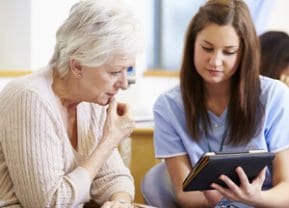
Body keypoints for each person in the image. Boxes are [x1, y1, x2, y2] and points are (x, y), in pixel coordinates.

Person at [141, 0, 289, 207]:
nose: (215, 61)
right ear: (192, 44)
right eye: (207, 48)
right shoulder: (168, 107)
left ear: (244, 53)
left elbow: (286, 190)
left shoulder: (274, 96)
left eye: (228, 52)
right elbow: (185, 195)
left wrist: (255, 198)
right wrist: (219, 199)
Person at [0, 0, 143, 207]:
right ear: (77, 66)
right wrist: (110, 140)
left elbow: (115, 178)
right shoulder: (29, 98)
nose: (123, 84)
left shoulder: (92, 100)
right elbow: (49, 203)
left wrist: (119, 201)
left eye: (127, 71)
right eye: (114, 72)